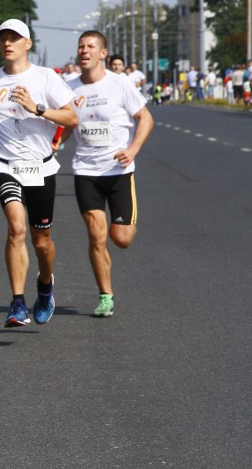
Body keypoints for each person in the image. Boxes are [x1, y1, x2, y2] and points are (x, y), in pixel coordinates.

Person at [0, 19, 77, 327]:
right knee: (16, 228)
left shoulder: (46, 78)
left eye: (14, 38)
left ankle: (45, 286)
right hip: (6, 165)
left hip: (41, 167)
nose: (7, 43)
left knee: (41, 241)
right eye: (3, 37)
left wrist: (38, 109)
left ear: (27, 44)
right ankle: (17, 303)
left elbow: (72, 117)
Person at [60, 31, 154, 318]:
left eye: (91, 46)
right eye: (81, 46)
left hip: (119, 170)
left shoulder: (119, 84)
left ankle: (126, 222)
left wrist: (133, 149)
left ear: (103, 53)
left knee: (122, 238)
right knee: (96, 234)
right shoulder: (69, 88)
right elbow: (65, 124)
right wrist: (51, 147)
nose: (84, 50)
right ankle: (105, 295)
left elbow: (146, 118)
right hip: (85, 170)